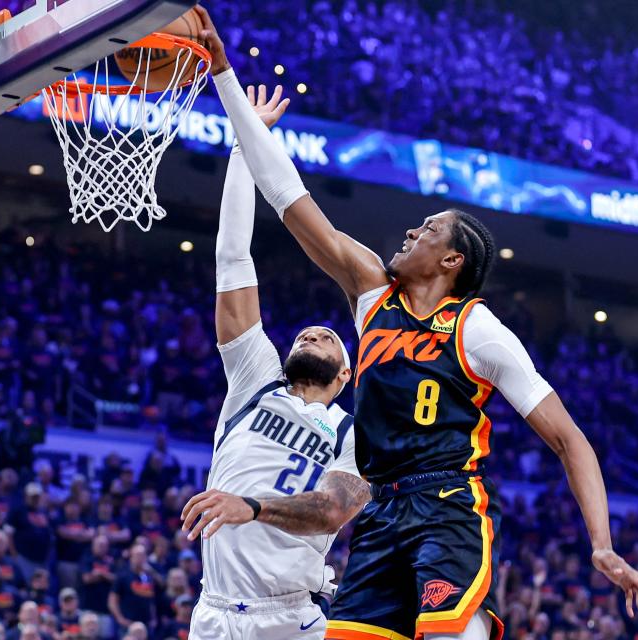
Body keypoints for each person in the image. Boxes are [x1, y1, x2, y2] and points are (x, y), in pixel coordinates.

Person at [194, 7, 638, 639]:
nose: (412, 231)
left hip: (446, 507)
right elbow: (288, 196)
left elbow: (569, 439)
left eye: (428, 229)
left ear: (451, 259)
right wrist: (223, 75)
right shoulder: (370, 296)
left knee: (445, 633)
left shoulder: (478, 330)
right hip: (381, 511)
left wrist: (601, 545)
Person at [175, 77, 369, 640]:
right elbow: (233, 256)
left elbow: (333, 510)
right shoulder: (256, 381)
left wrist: (251, 506)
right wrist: (243, 147)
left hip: (291, 618)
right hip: (213, 612)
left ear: (346, 373)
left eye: (329, 337)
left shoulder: (353, 431)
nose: (314, 334)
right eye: (307, 334)